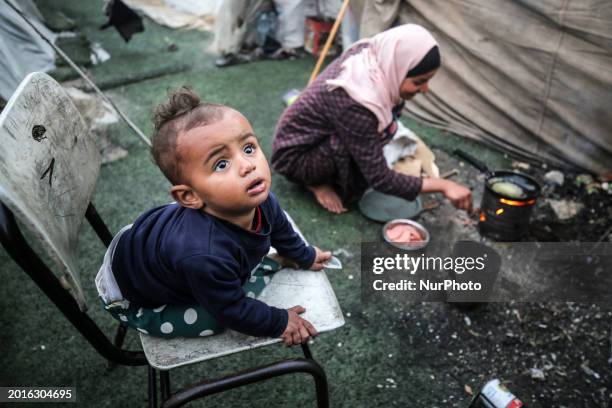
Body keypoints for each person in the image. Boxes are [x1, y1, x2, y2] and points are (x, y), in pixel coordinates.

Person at [95, 87, 331, 346]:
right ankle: (148, 312)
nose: (247, 165)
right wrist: (279, 320)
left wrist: (303, 255)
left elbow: (282, 230)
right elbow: (231, 310)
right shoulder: (204, 254)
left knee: (225, 281)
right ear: (189, 197)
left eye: (249, 148)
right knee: (217, 318)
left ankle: (251, 271)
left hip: (150, 247)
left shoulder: (261, 201)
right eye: (221, 164)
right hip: (129, 295)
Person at [271, 24, 472, 214]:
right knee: (355, 162)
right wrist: (444, 186)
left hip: (317, 135)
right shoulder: (356, 102)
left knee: (365, 145)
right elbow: (380, 179)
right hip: (295, 157)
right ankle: (314, 182)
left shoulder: (376, 55)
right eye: (419, 82)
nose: (425, 90)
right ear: (397, 68)